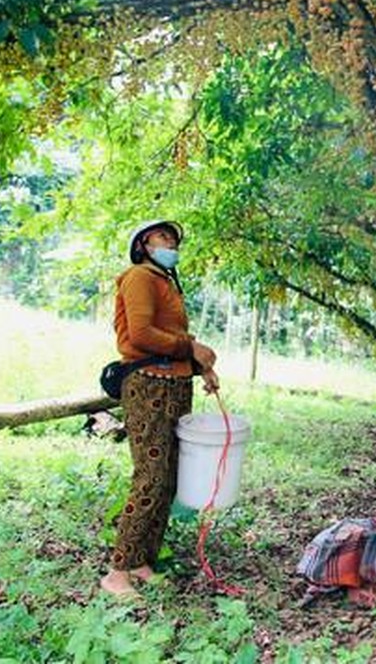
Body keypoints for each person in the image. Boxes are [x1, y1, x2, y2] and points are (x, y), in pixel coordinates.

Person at [100, 219, 219, 597]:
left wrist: (203, 366)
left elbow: (172, 341)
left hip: (174, 386)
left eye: (174, 238)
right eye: (162, 236)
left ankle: (141, 560)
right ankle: (117, 572)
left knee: (167, 477)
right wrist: (192, 348)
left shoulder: (165, 281)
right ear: (143, 243)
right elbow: (141, 335)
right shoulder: (138, 277)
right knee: (150, 476)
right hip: (147, 386)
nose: (171, 242)